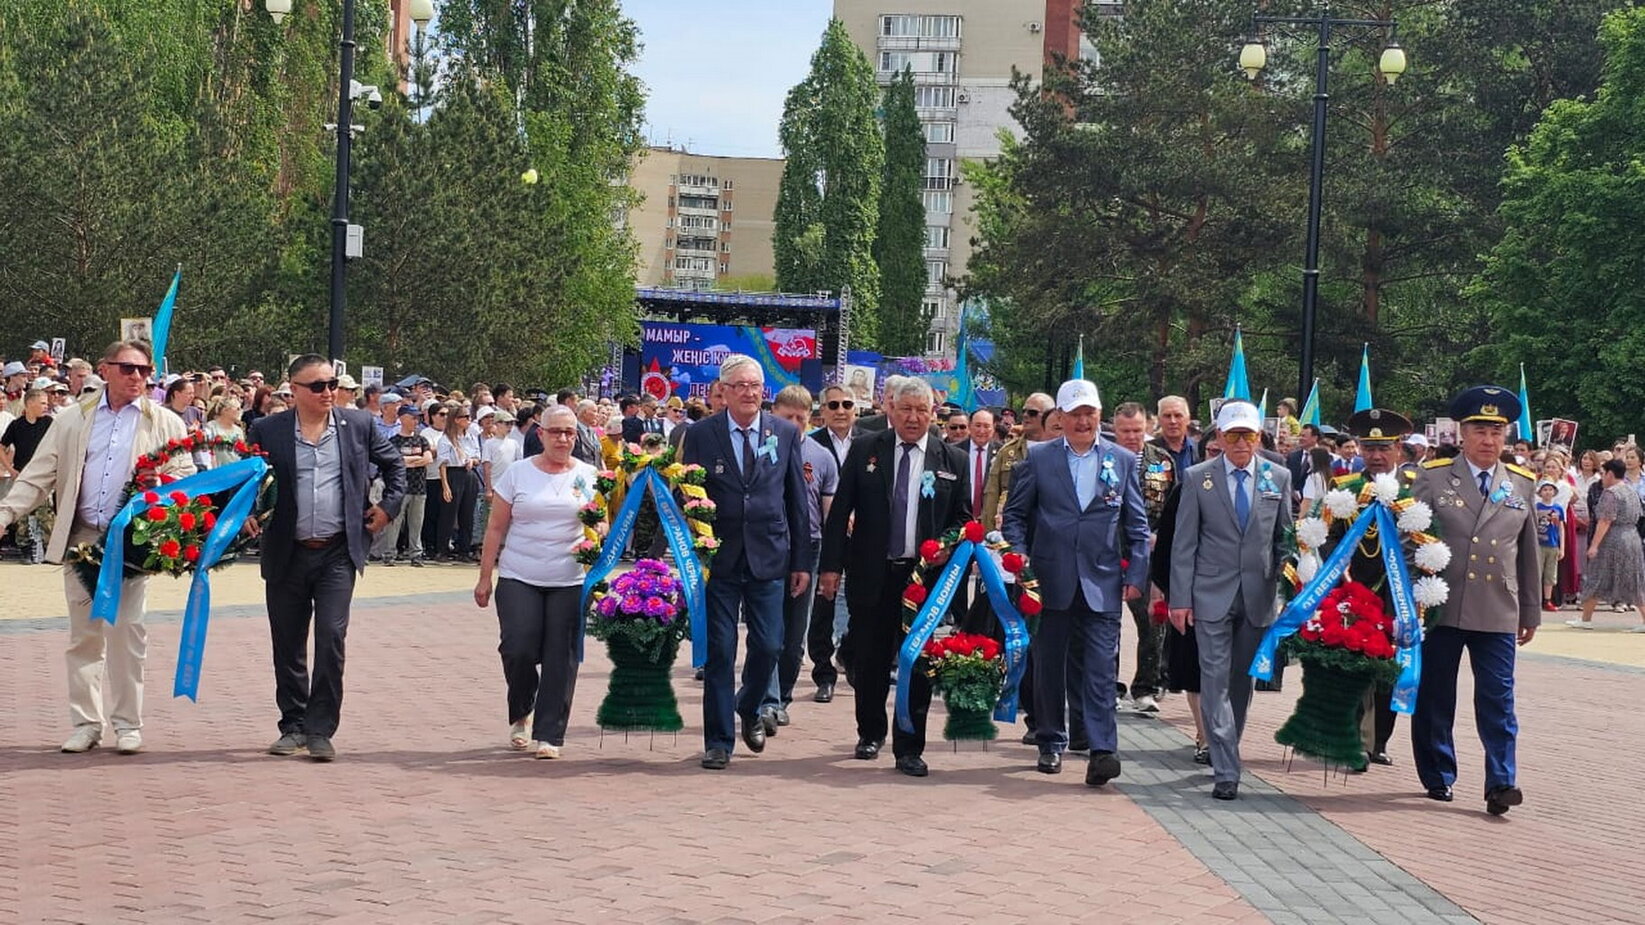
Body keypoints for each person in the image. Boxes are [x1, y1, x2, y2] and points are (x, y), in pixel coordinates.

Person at [0, 341, 195, 754]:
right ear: (105, 370)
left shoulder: (164, 422)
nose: (137, 378)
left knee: (128, 632)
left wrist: (163, 489)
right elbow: (38, 476)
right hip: (82, 539)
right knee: (84, 637)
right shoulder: (72, 419)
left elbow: (186, 476)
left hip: (132, 544)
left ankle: (128, 724)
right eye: (128, 368)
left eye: (144, 371)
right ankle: (86, 723)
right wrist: (5, 514)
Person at [249, 355, 405, 762]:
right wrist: (247, 513)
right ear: (294, 390)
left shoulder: (358, 425)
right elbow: (248, 480)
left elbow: (395, 467)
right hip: (287, 550)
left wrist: (387, 508)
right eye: (316, 386)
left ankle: (320, 728)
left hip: (338, 550)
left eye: (331, 383)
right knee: (288, 642)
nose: (327, 392)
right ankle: (293, 725)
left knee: (331, 637)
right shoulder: (267, 430)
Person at [818, 376, 969, 777]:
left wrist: (947, 547)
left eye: (922, 410)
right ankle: (870, 732)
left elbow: (964, 521)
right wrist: (830, 568)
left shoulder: (951, 459)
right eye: (906, 409)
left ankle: (910, 747)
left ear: (933, 414)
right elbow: (839, 513)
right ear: (891, 409)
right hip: (871, 573)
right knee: (868, 660)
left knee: (916, 662)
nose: (914, 417)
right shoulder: (867, 449)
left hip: (922, 581)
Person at [1002, 379, 1149, 785]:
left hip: (1102, 581)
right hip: (1049, 579)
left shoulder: (1121, 460)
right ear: (1061, 418)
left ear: (1100, 416)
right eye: (1076, 414)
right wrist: (1020, 556)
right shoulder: (1038, 459)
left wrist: (1136, 571)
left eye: (1091, 413)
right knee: (1049, 665)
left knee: (1102, 669)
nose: (1084, 421)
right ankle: (1051, 740)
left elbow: (1136, 523)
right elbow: (1015, 515)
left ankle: (1103, 749)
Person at [1409, 385, 1539, 815]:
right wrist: (1416, 582)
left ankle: (1501, 781)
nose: (1489, 440)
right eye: (1480, 430)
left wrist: (1532, 610)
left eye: (1496, 431)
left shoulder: (1521, 483)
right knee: (1435, 695)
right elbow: (1412, 537)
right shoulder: (1434, 475)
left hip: (1498, 605)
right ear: (1461, 433)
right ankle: (1438, 774)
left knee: (1498, 698)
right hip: (1443, 601)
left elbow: (1528, 553)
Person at [679, 354, 813, 770]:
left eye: (756, 385)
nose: (750, 393)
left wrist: (802, 562)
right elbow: (686, 488)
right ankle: (718, 741)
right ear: (723, 392)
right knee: (719, 651)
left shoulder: (785, 432)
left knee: (770, 645)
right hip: (719, 558)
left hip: (770, 556)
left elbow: (797, 501)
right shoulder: (701, 433)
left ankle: (749, 705)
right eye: (741, 385)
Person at [1169, 400, 1293, 801]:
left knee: (1242, 681)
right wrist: (1179, 599)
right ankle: (1226, 767)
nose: (1242, 443)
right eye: (1234, 435)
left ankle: (1228, 746)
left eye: (1249, 435)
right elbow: (1183, 544)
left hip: (1257, 597)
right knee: (1213, 679)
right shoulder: (1197, 478)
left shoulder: (1279, 477)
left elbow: (1284, 539)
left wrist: (1289, 583)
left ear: (1260, 438)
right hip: (1210, 596)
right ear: (1219, 437)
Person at [473, 405, 599, 759]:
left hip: (570, 578)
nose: (562, 439)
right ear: (540, 434)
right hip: (519, 574)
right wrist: (485, 577)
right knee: (519, 647)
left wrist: (599, 533)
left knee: (562, 655)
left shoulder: (590, 475)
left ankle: (549, 734)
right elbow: (496, 527)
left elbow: (604, 523)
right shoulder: (518, 473)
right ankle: (520, 712)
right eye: (555, 432)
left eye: (569, 432)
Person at [762, 385, 838, 723]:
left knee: (794, 634)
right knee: (767, 630)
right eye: (787, 417)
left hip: (806, 547)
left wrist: (831, 561)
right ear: (773, 414)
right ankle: (767, 698)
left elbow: (828, 511)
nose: (794, 424)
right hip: (766, 544)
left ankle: (783, 696)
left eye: (801, 419)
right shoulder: (762, 448)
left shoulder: (821, 456)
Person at [807, 383, 864, 702]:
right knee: (822, 604)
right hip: (824, 537)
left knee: (861, 602)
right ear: (822, 411)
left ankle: (851, 654)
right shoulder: (811, 445)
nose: (840, 411)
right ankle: (823, 673)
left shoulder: (871, 443)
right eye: (833, 405)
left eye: (846, 404)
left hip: (862, 538)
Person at [1568, 458, 1645, 631]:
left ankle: (1586, 620)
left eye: (1603, 474)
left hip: (1613, 539)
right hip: (1632, 537)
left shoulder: (1611, 493)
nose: (1601, 478)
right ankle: (1585, 619)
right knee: (1633, 579)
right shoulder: (1631, 490)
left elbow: (1605, 520)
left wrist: (1594, 545)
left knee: (1597, 576)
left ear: (1610, 474)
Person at [373, 404, 433, 567]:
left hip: (419, 487)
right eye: (413, 417)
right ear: (403, 418)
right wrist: (414, 461)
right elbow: (396, 461)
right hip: (399, 488)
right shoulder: (394, 441)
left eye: (417, 418)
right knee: (395, 522)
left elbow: (428, 459)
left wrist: (409, 462)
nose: (416, 421)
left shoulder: (421, 439)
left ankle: (416, 554)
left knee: (416, 523)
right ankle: (389, 553)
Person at [0, 388, 53, 563]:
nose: (46, 406)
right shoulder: (16, 425)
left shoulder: (49, 423)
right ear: (30, 403)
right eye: (43, 403)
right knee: (22, 516)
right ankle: (25, 549)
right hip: (23, 475)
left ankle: (46, 549)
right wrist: (10, 468)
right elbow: (2, 446)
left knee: (45, 516)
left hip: (44, 476)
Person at [435, 406, 482, 562]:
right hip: (452, 473)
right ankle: (442, 549)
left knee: (467, 514)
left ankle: (464, 549)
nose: (468, 420)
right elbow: (442, 464)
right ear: (456, 420)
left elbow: (477, 457)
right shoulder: (446, 439)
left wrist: (472, 461)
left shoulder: (471, 437)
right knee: (448, 514)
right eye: (465, 417)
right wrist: (445, 486)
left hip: (468, 474)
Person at [1534, 481, 1565, 612]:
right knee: (1537, 573)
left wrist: (1561, 547)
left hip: (1552, 545)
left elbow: (1561, 529)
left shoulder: (1558, 508)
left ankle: (1547, 600)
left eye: (1550, 489)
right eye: (1544, 489)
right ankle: (1535, 600)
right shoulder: (1536, 507)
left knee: (1550, 575)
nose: (1547, 492)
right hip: (1539, 544)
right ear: (1540, 492)